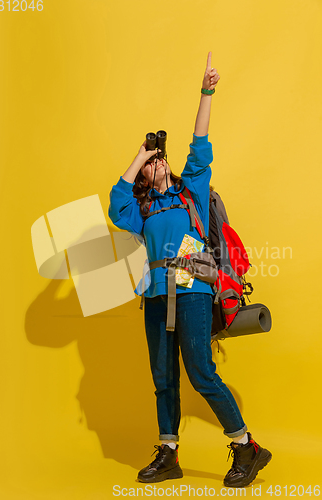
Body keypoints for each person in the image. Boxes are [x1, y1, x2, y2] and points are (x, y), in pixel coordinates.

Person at [108, 52, 272, 488]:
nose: (159, 160)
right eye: (152, 162)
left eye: (161, 156)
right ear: (145, 174)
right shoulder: (142, 210)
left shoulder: (189, 194)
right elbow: (115, 203)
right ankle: (169, 454)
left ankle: (246, 447)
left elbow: (199, 143)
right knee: (163, 378)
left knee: (200, 371)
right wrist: (139, 154)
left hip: (192, 285)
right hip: (156, 293)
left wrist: (206, 92)